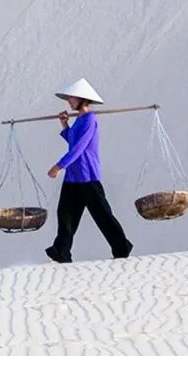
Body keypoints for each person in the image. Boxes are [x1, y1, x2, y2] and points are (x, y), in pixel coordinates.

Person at [44, 78, 133, 263]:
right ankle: (61, 251)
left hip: (87, 177)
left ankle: (121, 247)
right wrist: (64, 125)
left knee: (102, 215)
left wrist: (59, 166)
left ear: (81, 99)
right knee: (65, 215)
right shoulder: (80, 121)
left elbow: (78, 149)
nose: (69, 101)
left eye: (71, 98)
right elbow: (73, 142)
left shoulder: (89, 120)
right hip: (73, 178)